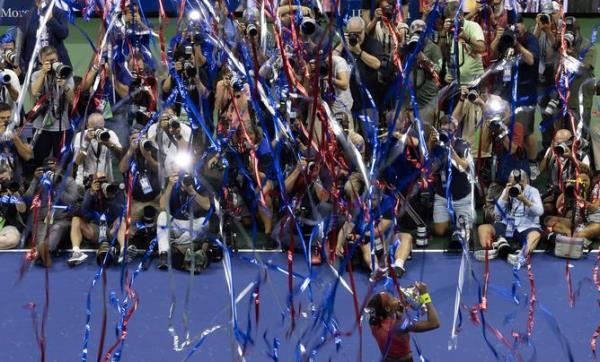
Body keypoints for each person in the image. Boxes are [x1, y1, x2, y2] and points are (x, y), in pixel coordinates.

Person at [491, 14, 540, 180]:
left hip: (525, 94)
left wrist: (517, 44)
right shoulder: (506, 37)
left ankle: (533, 163)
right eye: (512, 25)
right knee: (503, 126)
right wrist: (500, 38)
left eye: (517, 24)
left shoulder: (530, 39)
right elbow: (492, 51)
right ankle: (504, 159)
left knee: (526, 131)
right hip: (506, 93)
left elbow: (531, 60)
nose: (515, 27)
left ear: (523, 25)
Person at [477, 169, 543, 265]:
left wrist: (524, 200)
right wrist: (505, 195)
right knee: (483, 228)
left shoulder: (533, 191)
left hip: (527, 226)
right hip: (507, 225)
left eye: (518, 180)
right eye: (512, 179)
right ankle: (490, 250)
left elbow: (540, 211)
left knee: (535, 235)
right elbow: (497, 213)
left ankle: (521, 256)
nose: (515, 183)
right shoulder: (508, 190)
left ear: (525, 180)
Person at [26, 158, 81, 267]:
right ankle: (42, 251)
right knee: (40, 232)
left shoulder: (69, 181)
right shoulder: (40, 181)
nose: (51, 168)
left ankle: (40, 252)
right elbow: (27, 199)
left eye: (53, 165)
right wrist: (35, 180)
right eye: (48, 166)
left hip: (62, 219)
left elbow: (72, 199)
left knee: (57, 229)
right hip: (43, 220)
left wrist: (56, 186)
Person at [367, 282, 440, 362]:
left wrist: (399, 309)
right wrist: (425, 296)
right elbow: (434, 323)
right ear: (387, 308)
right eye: (392, 298)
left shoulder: (373, 320)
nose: (396, 299)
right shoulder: (399, 325)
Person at [156, 168, 213, 269]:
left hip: (192, 225)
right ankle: (164, 254)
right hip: (176, 224)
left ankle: (175, 246)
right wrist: (170, 185)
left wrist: (192, 191)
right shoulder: (171, 182)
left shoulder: (199, 182)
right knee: (162, 216)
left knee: (205, 223)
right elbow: (162, 206)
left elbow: (208, 206)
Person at [28, 45, 75, 168]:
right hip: (41, 125)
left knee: (61, 163)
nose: (51, 63)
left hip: (61, 125)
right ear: (41, 61)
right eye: (47, 61)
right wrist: (43, 72)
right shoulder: (36, 74)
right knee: (40, 161)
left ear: (58, 59)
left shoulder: (66, 72)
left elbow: (72, 101)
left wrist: (65, 86)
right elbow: (34, 92)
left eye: (54, 60)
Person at [68, 172, 126, 266]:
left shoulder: (115, 190)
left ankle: (124, 251)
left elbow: (119, 212)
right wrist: (91, 194)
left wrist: (110, 198)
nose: (102, 183)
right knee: (76, 219)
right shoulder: (89, 192)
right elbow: (84, 212)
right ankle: (76, 252)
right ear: (93, 182)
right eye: (99, 180)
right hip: (95, 230)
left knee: (121, 219)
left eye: (104, 180)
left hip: (111, 230)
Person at [17, 0, 71, 71]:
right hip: (35, 65)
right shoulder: (27, 16)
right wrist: (22, 65)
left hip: (56, 63)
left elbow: (63, 34)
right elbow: (23, 45)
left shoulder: (58, 13)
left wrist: (51, 20)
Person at [72, 113, 123, 186]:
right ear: (88, 125)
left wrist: (108, 143)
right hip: (84, 181)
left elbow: (120, 155)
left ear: (103, 124)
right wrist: (86, 143)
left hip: (105, 180)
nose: (98, 131)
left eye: (100, 128)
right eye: (95, 128)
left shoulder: (109, 134)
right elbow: (77, 162)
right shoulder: (80, 136)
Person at [0, 102, 33, 182]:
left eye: (8, 117)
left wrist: (15, 139)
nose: (6, 121)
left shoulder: (17, 131)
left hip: (15, 181)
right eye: (2, 118)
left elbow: (28, 156)